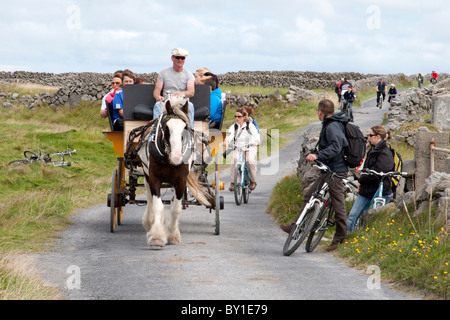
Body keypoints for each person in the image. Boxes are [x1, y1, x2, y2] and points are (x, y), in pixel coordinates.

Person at [280, 99, 349, 252]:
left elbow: (336, 147)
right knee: (310, 195)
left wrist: (318, 156)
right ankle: (297, 226)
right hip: (329, 170)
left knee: (338, 206)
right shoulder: (331, 123)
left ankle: (339, 239)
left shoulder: (332, 126)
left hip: (337, 171)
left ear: (320, 112)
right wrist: (315, 153)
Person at [346, 126, 394, 232]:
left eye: (370, 135)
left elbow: (378, 172)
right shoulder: (372, 150)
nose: (368, 138)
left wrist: (362, 180)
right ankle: (350, 240)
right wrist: (362, 182)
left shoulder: (385, 153)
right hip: (367, 190)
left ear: (378, 136)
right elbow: (366, 169)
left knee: (374, 221)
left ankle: (366, 241)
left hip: (380, 191)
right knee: (352, 218)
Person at [153, 48, 195, 128]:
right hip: (167, 103)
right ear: (172, 58)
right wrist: (158, 96)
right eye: (177, 58)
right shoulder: (163, 73)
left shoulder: (189, 75)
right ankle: (155, 132)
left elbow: (191, 92)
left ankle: (190, 131)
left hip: (181, 103)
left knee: (190, 106)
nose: (180, 60)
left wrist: (181, 94)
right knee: (157, 105)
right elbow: (156, 91)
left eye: (182, 58)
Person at [224, 108, 260, 191]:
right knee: (234, 159)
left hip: (250, 147)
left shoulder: (249, 125)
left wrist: (256, 142)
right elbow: (229, 135)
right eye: (235, 116)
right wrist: (227, 141)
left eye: (239, 116)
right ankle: (233, 183)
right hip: (239, 147)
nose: (237, 118)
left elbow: (256, 135)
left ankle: (253, 181)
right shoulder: (234, 126)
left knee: (249, 161)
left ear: (244, 117)